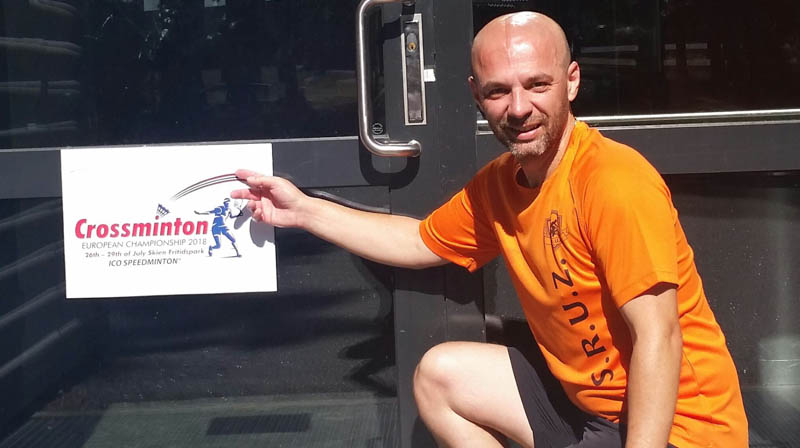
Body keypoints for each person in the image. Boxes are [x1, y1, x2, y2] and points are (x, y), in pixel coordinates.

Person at [232, 11, 748, 448]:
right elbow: (417, 241)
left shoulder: (613, 181)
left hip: (679, 428)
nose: (518, 108)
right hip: (587, 408)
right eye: (499, 91)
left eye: (537, 85)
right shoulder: (500, 185)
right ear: (476, 95)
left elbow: (659, 336)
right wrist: (304, 211)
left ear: (571, 81)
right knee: (440, 378)